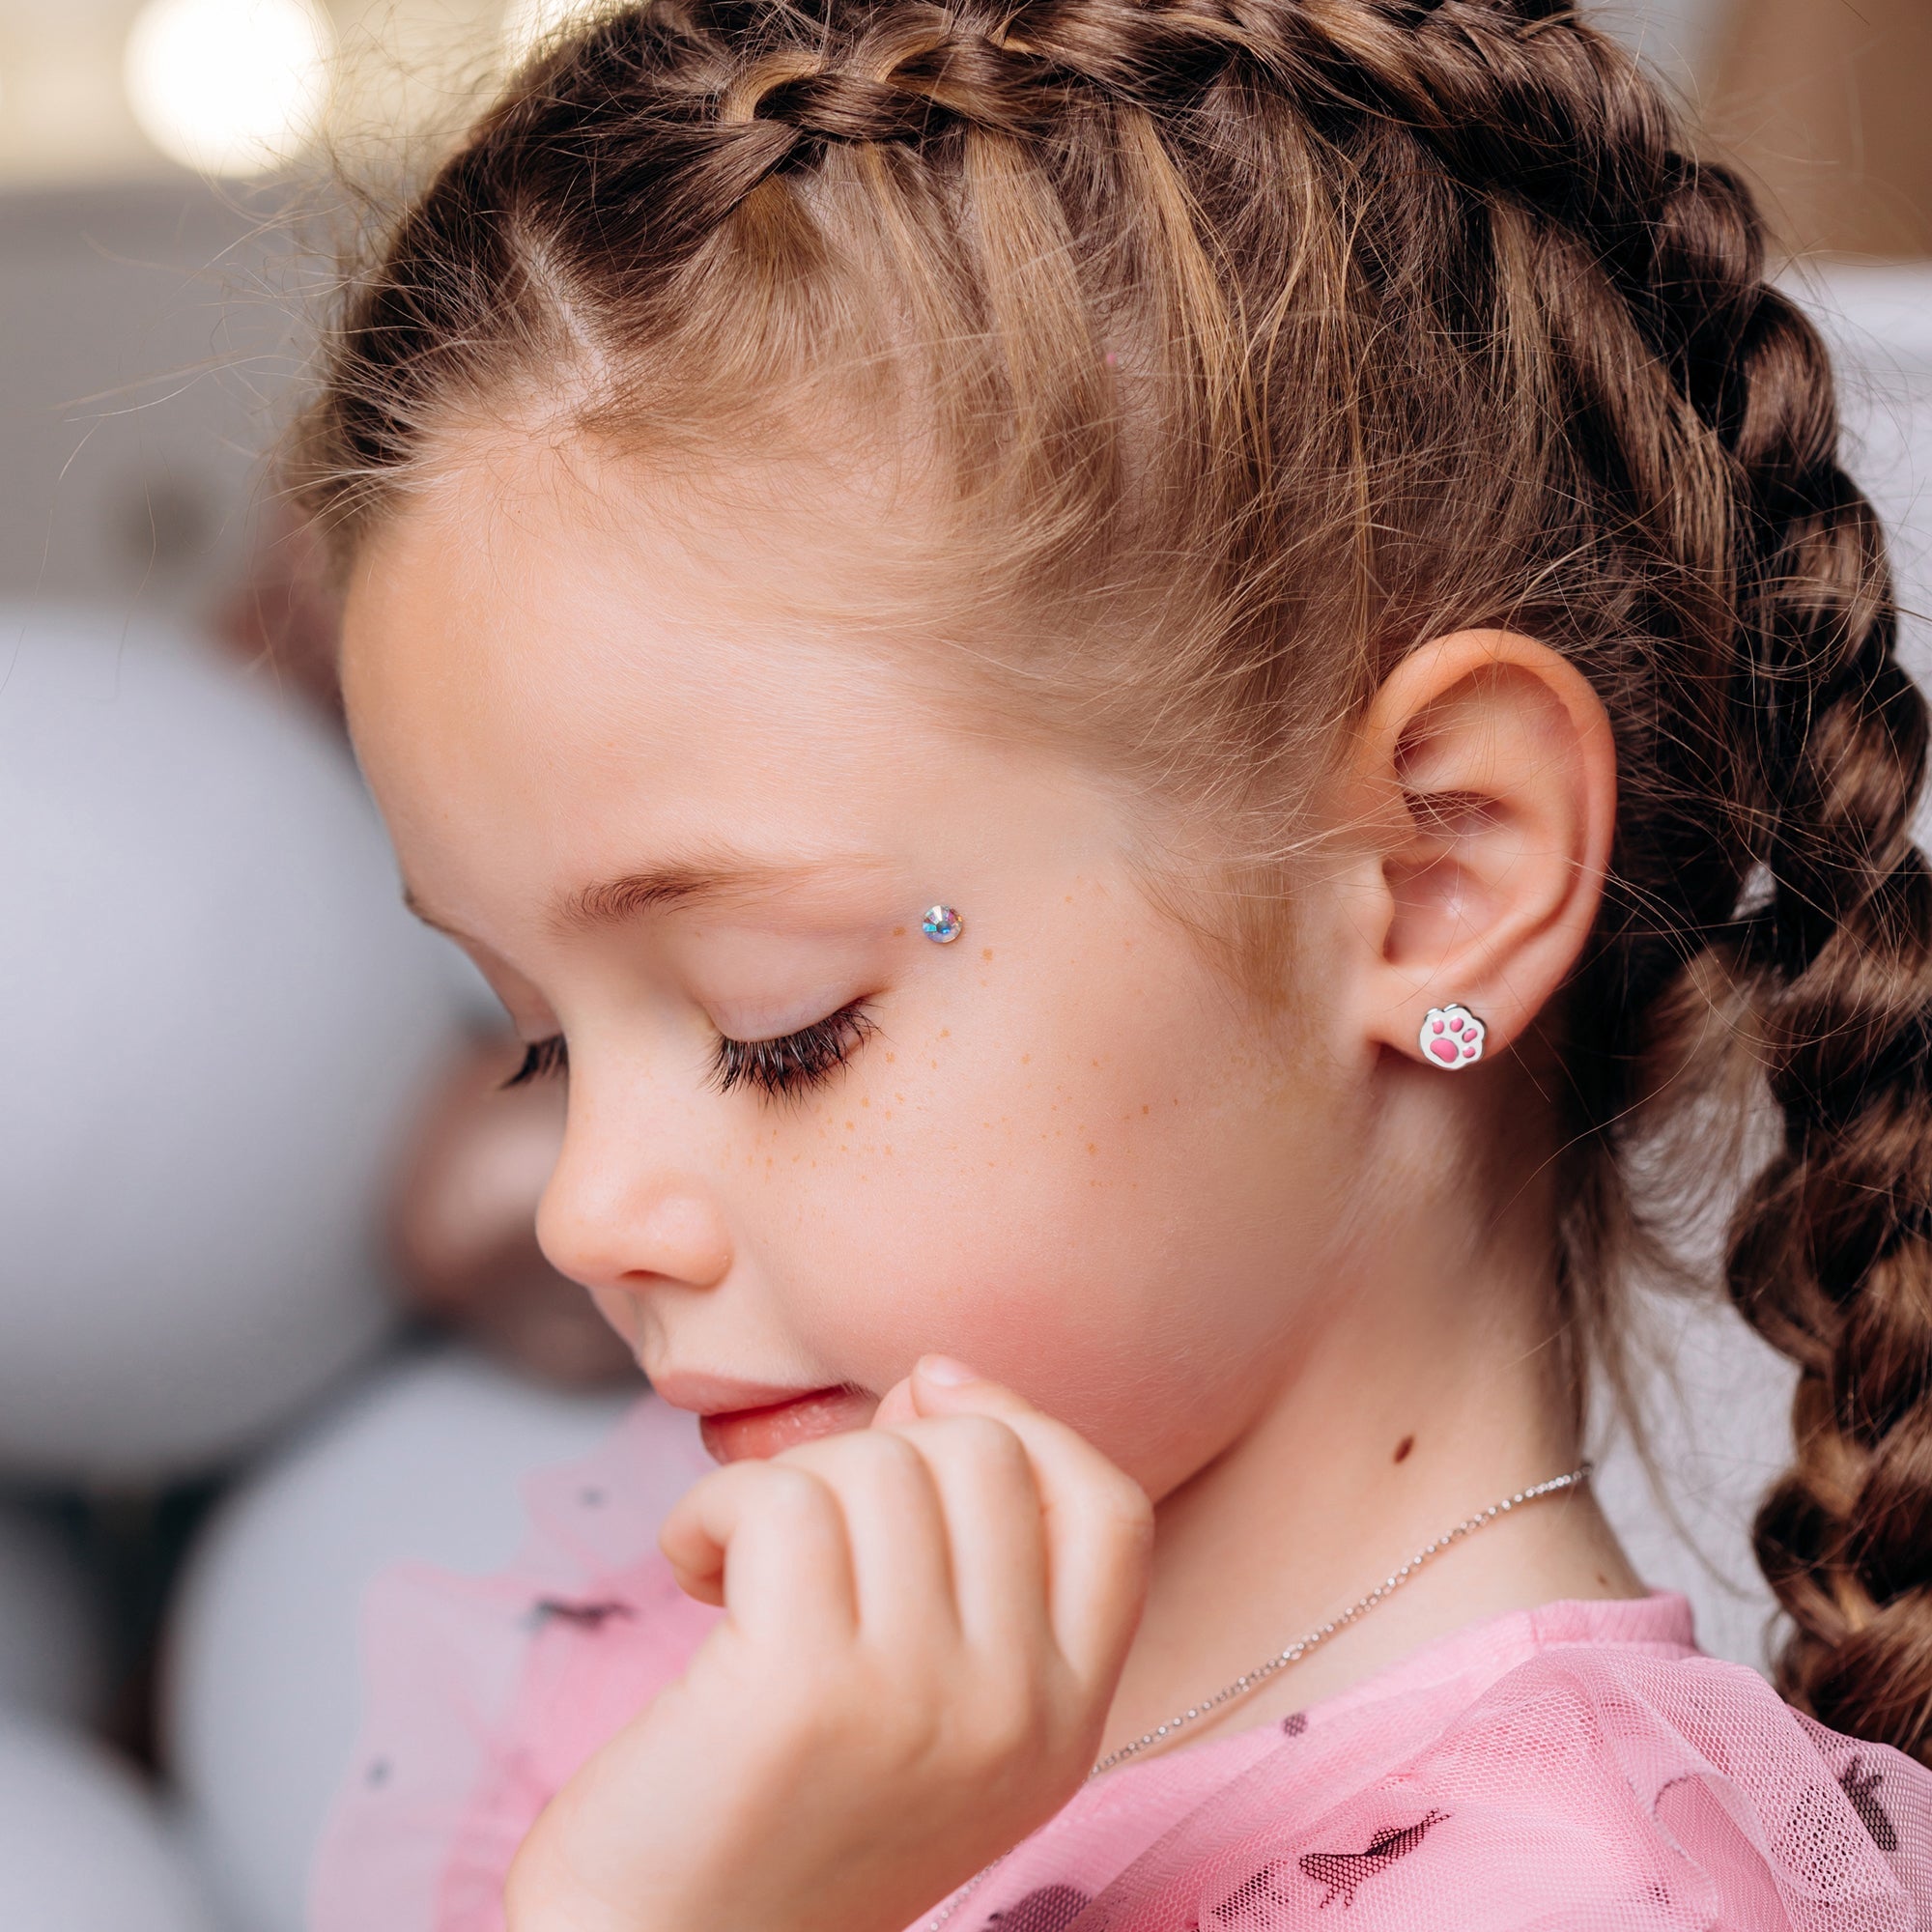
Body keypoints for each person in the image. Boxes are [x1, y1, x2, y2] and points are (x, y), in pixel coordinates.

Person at [298, 1, 1932, 1926]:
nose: (589, 1214)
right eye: (543, 1044)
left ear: (1431, 871)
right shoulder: (764, 1739)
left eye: (776, 1025)